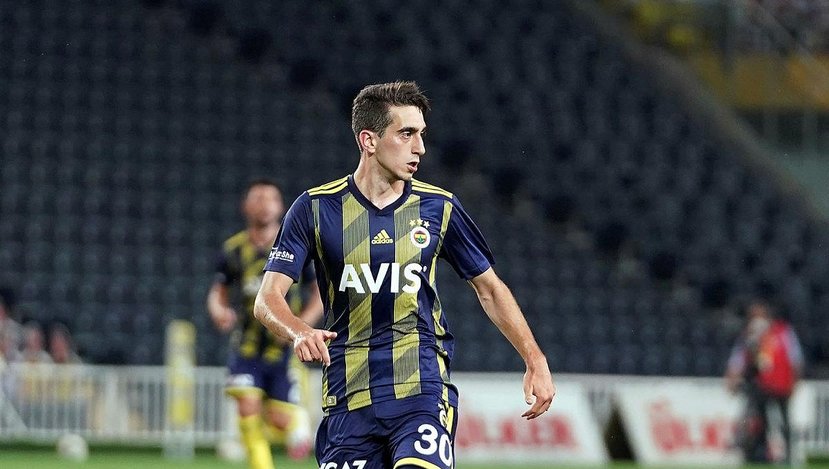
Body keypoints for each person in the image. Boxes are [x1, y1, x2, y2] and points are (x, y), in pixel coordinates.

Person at [253, 81, 556, 469]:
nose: (420, 148)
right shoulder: (314, 209)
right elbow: (267, 299)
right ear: (369, 140)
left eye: (422, 134)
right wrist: (299, 330)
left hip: (421, 388)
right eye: (407, 134)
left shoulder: (439, 207)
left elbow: (490, 289)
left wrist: (534, 358)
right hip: (348, 395)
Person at [207, 178, 323, 469]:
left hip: (282, 349)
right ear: (245, 206)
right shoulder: (233, 250)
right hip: (246, 347)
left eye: (270, 199)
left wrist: (299, 327)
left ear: (281, 207)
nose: (264, 205)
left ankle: (296, 422)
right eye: (257, 198)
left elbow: (319, 295)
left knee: (279, 420)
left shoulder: (297, 248)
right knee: (247, 407)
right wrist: (219, 311)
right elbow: (218, 292)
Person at [725, 298, 803, 465]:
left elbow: (795, 359)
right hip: (762, 386)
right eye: (753, 316)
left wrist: (795, 382)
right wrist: (732, 378)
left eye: (758, 315)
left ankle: (789, 456)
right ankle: (761, 453)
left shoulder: (783, 332)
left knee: (784, 422)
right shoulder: (749, 335)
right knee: (761, 422)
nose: (755, 319)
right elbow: (738, 359)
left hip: (782, 384)